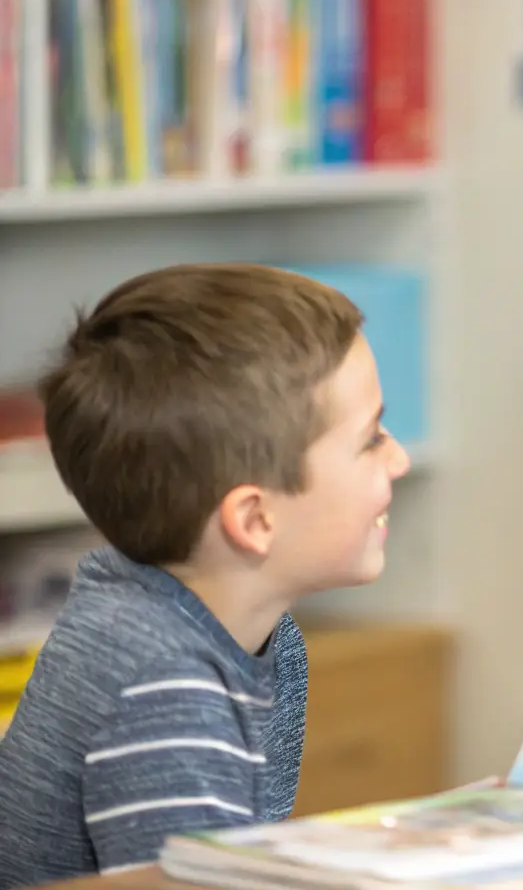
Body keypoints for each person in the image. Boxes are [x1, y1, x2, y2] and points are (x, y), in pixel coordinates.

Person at [0, 264, 410, 886]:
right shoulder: (162, 683)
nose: (399, 458)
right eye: (371, 438)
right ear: (255, 518)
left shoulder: (249, 636)